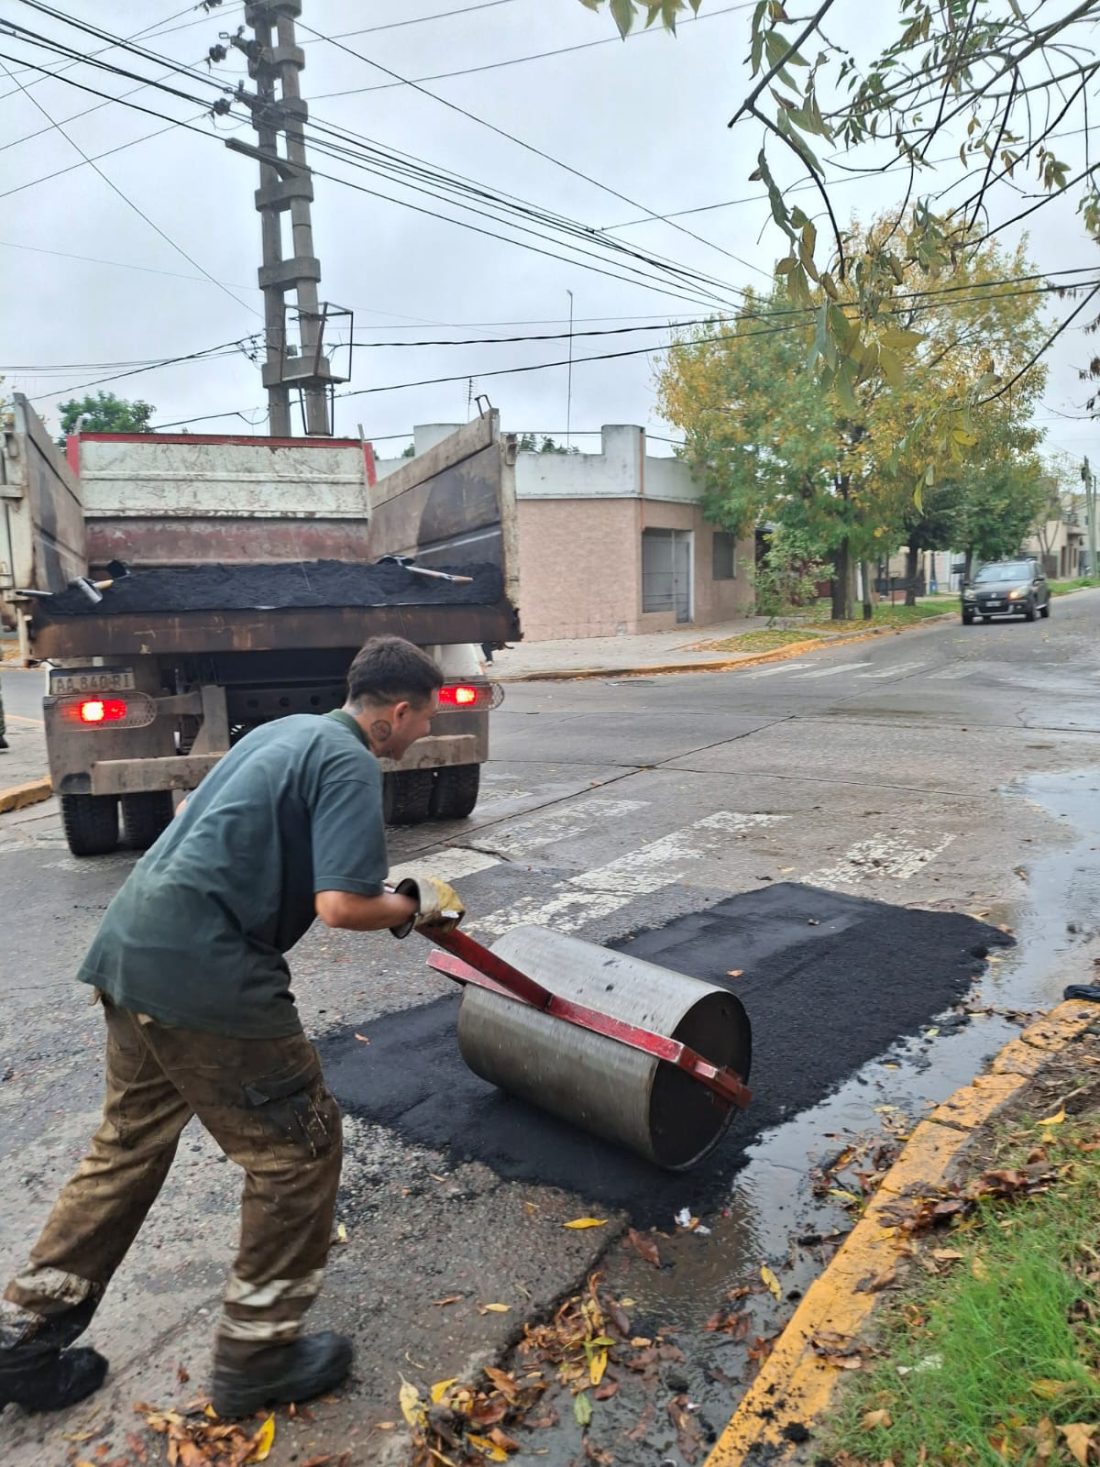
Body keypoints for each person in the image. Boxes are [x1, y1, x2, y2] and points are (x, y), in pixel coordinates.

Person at [0, 636, 465, 1417]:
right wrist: (417, 905)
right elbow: (342, 905)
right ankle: (258, 1356)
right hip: (207, 975)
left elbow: (199, 814)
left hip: (133, 947)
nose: (421, 735)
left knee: (128, 1143)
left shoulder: (287, 732)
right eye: (422, 720)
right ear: (395, 712)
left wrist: (388, 887)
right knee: (298, 1151)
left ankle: (24, 1337)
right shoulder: (350, 759)